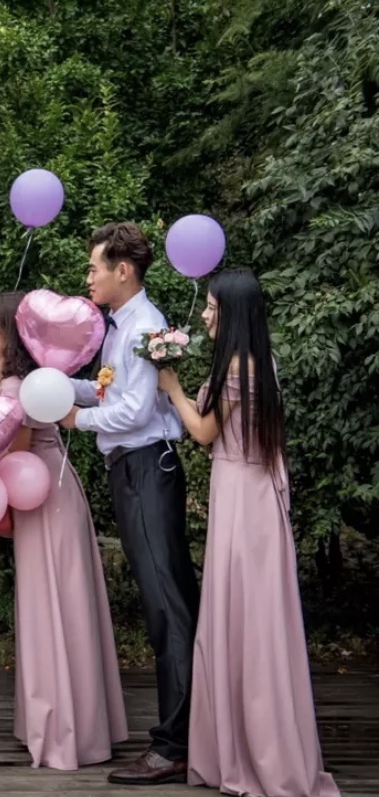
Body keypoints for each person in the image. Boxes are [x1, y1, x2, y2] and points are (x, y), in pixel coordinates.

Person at [158, 270, 339, 797]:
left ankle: (247, 752)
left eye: (212, 308)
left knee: (240, 617)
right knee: (254, 618)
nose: (204, 315)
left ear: (233, 314)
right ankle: (250, 745)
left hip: (241, 496)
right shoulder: (260, 361)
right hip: (252, 491)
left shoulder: (238, 368)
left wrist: (171, 388)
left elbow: (203, 432)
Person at [60, 222, 198, 785]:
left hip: (147, 470)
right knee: (162, 600)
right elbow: (107, 392)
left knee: (168, 605)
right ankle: (181, 733)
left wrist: (77, 420)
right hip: (132, 471)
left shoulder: (143, 325)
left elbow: (134, 413)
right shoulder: (119, 326)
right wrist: (54, 386)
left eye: (94, 267)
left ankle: (174, 745)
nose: (88, 277)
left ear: (123, 270)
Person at [0, 291, 127, 771]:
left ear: (9, 334)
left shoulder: (20, 387)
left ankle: (64, 730)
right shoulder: (14, 380)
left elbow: (16, 449)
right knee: (60, 606)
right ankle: (71, 723)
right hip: (48, 490)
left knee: (53, 607)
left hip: (42, 495)